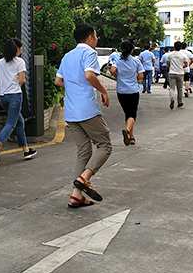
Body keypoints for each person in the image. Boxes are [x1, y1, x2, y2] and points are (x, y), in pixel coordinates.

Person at [55, 23, 112, 209]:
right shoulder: (89, 53)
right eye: (96, 36)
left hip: (71, 112)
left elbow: (58, 81)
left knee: (83, 151)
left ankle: (76, 195)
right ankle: (84, 178)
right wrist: (103, 90)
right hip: (86, 109)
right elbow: (89, 75)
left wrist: (74, 88)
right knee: (104, 145)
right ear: (89, 37)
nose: (97, 40)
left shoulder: (67, 56)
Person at [0, 38, 37, 164]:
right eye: (20, 48)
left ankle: (26, 150)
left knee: (19, 122)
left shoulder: (0, 62)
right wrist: (16, 82)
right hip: (15, 96)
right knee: (11, 122)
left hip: (2, 97)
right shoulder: (19, 62)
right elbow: (21, 81)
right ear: (17, 50)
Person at [110, 40, 143, 146]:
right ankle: (128, 130)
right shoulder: (136, 61)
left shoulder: (117, 61)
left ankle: (131, 137)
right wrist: (134, 79)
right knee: (132, 114)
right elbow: (141, 76)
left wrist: (117, 77)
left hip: (121, 91)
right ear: (132, 50)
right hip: (133, 90)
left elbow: (112, 70)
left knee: (127, 113)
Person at [166, 41, 188, 110]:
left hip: (172, 72)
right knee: (180, 89)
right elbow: (186, 64)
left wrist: (172, 66)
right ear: (181, 47)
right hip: (180, 73)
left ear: (174, 46)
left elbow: (168, 63)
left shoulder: (170, 55)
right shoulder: (183, 55)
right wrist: (181, 67)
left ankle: (172, 98)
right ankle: (179, 102)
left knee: (172, 88)